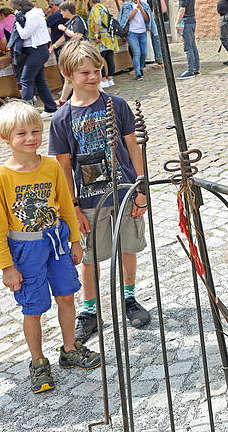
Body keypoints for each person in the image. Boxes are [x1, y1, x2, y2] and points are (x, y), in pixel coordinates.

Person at [0, 101, 101, 393]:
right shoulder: (0, 179)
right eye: (21, 133)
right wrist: (7, 266)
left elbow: (64, 205)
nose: (31, 138)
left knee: (66, 297)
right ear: (6, 139)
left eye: (36, 131)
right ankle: (37, 361)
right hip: (26, 253)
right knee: (33, 308)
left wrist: (75, 240)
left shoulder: (50, 166)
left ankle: (70, 348)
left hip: (57, 244)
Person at [49, 39, 152, 344]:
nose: (93, 77)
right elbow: (64, 167)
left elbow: (133, 146)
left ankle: (129, 298)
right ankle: (90, 310)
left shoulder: (117, 105)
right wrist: (73, 207)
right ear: (68, 75)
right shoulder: (62, 119)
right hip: (90, 198)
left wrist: (141, 187)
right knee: (91, 256)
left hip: (124, 190)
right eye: (85, 73)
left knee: (128, 246)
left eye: (96, 70)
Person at [11, 0, 58, 119]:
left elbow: (25, 34)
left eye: (15, 8)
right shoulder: (33, 14)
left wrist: (17, 24)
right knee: (39, 81)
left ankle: (26, 114)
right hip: (36, 50)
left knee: (26, 80)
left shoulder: (33, 15)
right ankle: (51, 108)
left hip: (37, 50)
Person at [49, 1, 87, 106]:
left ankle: (65, 99)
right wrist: (53, 47)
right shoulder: (71, 21)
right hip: (76, 52)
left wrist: (64, 29)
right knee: (69, 76)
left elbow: (77, 36)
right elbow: (64, 38)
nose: (61, 13)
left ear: (67, 11)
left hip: (81, 52)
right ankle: (63, 100)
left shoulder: (77, 20)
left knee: (72, 76)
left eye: (62, 11)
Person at [86, 0, 117, 89]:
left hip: (100, 38)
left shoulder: (95, 9)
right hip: (109, 37)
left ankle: (103, 79)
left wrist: (95, 34)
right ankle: (110, 79)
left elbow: (97, 21)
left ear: (90, 1)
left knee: (100, 59)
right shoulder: (104, 7)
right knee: (109, 58)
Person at [175, 0, 200, 79]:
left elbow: (182, 9)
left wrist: (177, 23)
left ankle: (190, 71)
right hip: (192, 20)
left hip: (187, 22)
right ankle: (196, 69)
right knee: (193, 46)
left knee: (188, 47)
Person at [136, 0, 165, 68]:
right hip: (155, 23)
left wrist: (151, 19)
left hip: (159, 23)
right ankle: (160, 61)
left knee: (157, 42)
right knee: (156, 41)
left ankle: (161, 62)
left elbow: (162, 10)